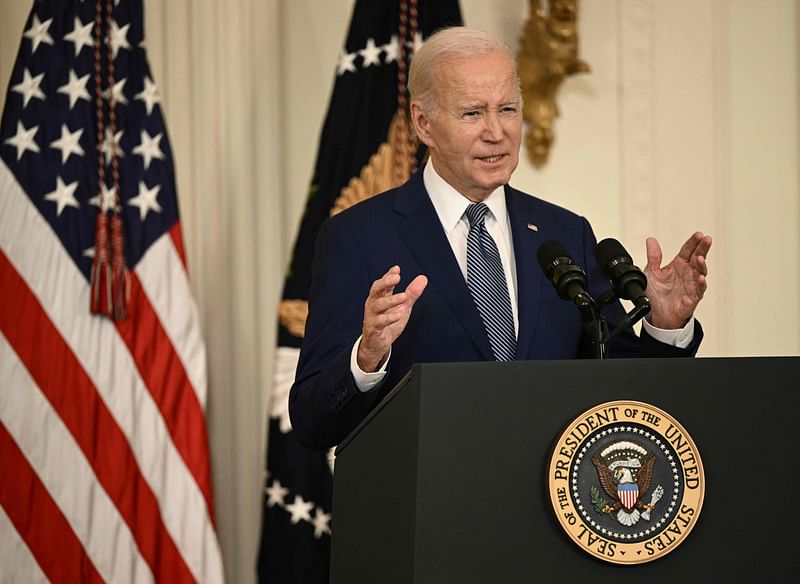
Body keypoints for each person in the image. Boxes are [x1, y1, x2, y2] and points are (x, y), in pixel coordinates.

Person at [289, 27, 712, 451]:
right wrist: (367, 357)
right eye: (472, 113)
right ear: (423, 123)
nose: (497, 132)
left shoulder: (565, 233)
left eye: (507, 109)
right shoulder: (358, 238)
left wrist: (666, 327)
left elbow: (624, 393)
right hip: (427, 505)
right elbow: (312, 420)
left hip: (552, 506)